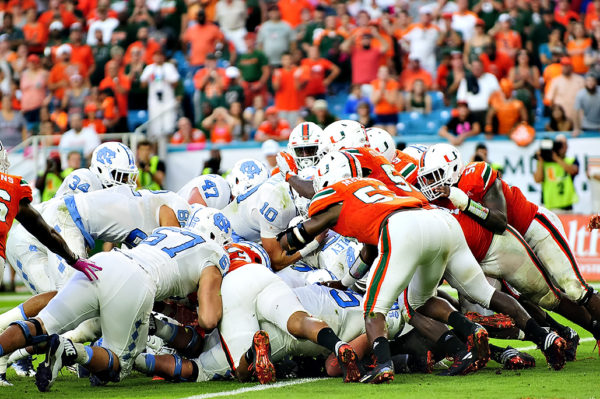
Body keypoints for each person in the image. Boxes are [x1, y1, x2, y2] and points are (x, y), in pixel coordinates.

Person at [0, 209, 228, 391]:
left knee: (40, 324)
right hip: (136, 279)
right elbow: (208, 320)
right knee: (118, 367)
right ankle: (69, 350)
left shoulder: (171, 231)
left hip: (104, 262)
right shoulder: (214, 255)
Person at [533, 135, 579, 212]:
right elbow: (538, 180)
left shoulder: (571, 160)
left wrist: (556, 158)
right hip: (548, 205)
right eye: (559, 144)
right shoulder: (544, 163)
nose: (561, 147)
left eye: (564, 144)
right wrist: (540, 160)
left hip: (566, 205)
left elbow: (573, 171)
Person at [140, 49, 180, 138]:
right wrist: (150, 76)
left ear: (163, 57)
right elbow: (143, 85)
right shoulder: (149, 68)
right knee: (155, 127)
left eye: (160, 55)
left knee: (169, 125)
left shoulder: (169, 67)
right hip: (154, 101)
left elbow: (176, 83)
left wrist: (165, 77)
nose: (158, 58)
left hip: (167, 100)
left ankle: (169, 147)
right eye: (156, 55)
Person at [457, 59, 500, 126]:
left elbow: (498, 95)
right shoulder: (466, 80)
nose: (477, 68)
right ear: (471, 68)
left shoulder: (491, 78)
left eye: (478, 66)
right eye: (474, 66)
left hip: (488, 113)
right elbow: (461, 99)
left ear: (483, 67)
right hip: (471, 114)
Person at [544, 57, 584, 122]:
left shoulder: (580, 80)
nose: (565, 68)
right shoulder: (555, 81)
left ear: (571, 67)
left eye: (567, 65)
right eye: (563, 66)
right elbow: (550, 101)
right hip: (561, 119)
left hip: (577, 117)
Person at [371, 66, 400, 136]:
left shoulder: (393, 83)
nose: (383, 74)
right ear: (378, 74)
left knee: (392, 134)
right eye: (381, 72)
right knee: (379, 134)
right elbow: (374, 101)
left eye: (385, 72)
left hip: (391, 114)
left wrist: (383, 91)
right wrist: (382, 90)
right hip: (379, 114)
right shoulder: (374, 83)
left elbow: (392, 101)